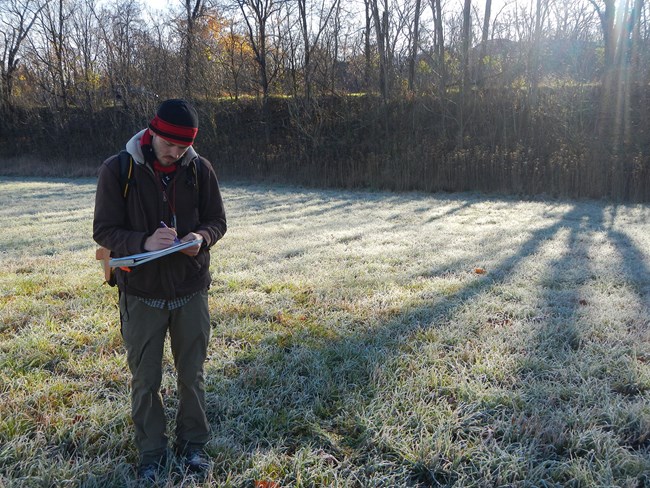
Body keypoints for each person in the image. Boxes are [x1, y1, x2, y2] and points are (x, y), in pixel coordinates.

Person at [93, 99, 227, 480]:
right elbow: (103, 230)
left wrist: (201, 237)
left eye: (183, 147)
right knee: (146, 380)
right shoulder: (117, 170)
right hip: (141, 294)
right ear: (152, 133)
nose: (176, 153)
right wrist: (143, 242)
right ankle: (151, 453)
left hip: (191, 290)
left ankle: (194, 448)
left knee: (192, 375)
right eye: (169, 144)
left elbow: (218, 221)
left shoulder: (200, 170)